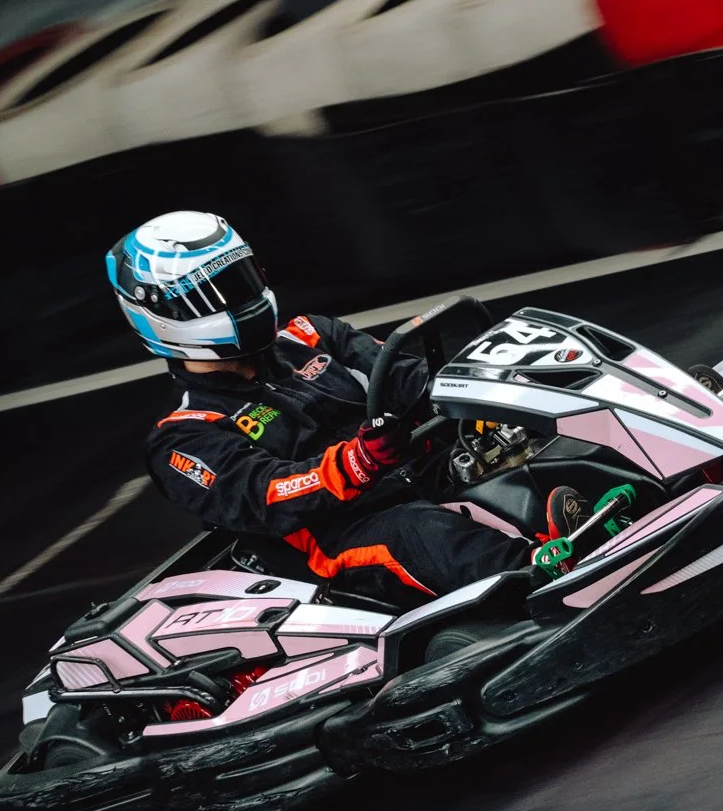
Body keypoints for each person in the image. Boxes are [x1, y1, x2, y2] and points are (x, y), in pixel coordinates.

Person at [112, 210, 587, 606]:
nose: (242, 300)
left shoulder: (310, 336)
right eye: (215, 294)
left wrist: (479, 398)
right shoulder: (184, 438)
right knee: (418, 531)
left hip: (417, 472)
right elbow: (267, 494)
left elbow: (406, 378)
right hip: (338, 541)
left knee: (516, 436)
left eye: (241, 280)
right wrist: (356, 462)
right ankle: (551, 580)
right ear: (164, 315)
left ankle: (615, 494)